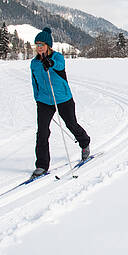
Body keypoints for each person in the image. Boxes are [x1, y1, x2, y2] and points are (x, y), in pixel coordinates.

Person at [30, 27, 90, 178]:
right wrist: (37, 97)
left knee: (71, 124)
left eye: (42, 44)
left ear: (48, 46)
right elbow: (34, 82)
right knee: (42, 132)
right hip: (44, 101)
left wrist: (49, 63)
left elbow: (59, 65)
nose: (39, 47)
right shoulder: (34, 63)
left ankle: (85, 143)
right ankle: (42, 165)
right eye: (37, 45)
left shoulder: (57, 58)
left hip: (63, 98)